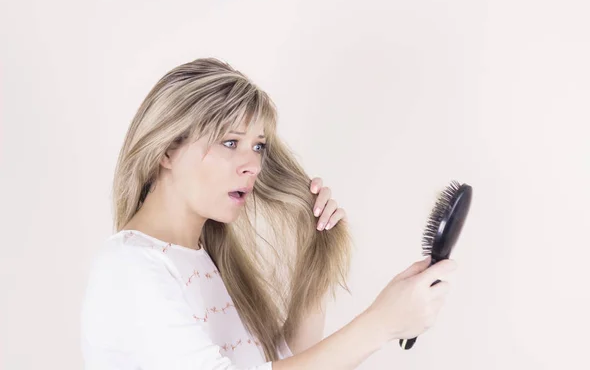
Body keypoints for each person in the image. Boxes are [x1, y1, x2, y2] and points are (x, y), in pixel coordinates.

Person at [80, 58, 457, 370]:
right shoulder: (130, 267)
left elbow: (283, 361)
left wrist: (315, 247)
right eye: (230, 142)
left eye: (258, 146)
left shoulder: (203, 261)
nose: (253, 165)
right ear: (166, 150)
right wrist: (380, 324)